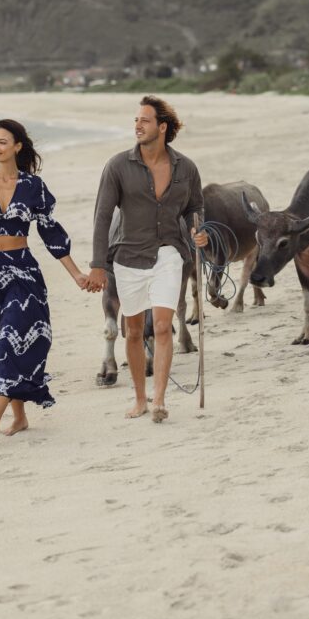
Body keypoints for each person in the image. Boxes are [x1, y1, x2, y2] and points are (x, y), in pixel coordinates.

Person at [0, 119, 88, 441]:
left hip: (22, 271)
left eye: (2, 141)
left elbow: (51, 233)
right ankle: (21, 417)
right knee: (2, 346)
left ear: (17, 147)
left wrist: (76, 273)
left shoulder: (33, 187)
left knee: (9, 339)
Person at [85, 95, 207, 422]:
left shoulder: (186, 167)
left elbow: (195, 207)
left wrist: (199, 229)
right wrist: (98, 265)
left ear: (162, 127)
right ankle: (140, 398)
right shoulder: (118, 166)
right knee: (135, 331)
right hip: (127, 256)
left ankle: (160, 400)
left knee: (164, 326)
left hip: (169, 252)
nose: (137, 125)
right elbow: (102, 216)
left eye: (145, 120)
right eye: (136, 120)